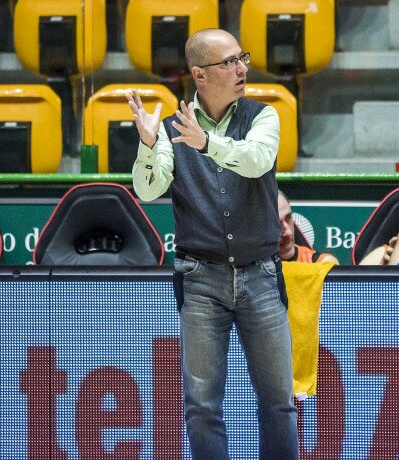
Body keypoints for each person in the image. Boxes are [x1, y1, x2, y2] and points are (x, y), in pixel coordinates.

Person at [127, 29, 298, 459]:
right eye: (230, 62)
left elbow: (257, 159)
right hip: (200, 278)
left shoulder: (264, 117)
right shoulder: (169, 130)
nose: (242, 69)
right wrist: (149, 145)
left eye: (243, 58)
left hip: (260, 274)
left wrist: (207, 144)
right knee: (201, 408)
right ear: (199, 74)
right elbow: (148, 191)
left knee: (279, 403)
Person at [278, 190, 339, 264]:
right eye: (276, 224)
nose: (288, 233)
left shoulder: (322, 263)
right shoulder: (260, 269)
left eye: (288, 218)